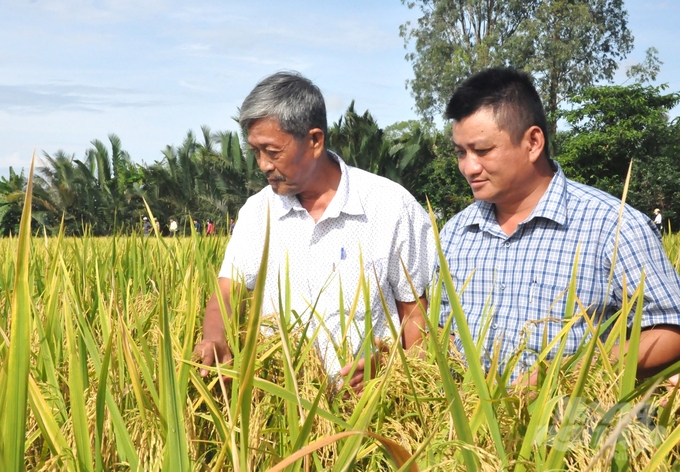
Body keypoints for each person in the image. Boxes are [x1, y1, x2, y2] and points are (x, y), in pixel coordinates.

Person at [194, 71, 435, 393]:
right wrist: (214, 338)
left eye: (272, 151)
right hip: (280, 407)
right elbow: (227, 293)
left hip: (370, 408)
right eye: (256, 152)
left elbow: (415, 312)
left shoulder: (390, 206)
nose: (263, 164)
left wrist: (397, 371)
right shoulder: (258, 212)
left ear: (315, 141)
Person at [438, 67, 680, 384]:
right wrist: (391, 362)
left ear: (533, 142)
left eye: (482, 150)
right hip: (470, 426)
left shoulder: (612, 226)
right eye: (460, 153)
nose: (469, 167)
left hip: (574, 427)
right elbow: (442, 329)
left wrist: (569, 373)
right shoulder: (456, 233)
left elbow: (671, 327)